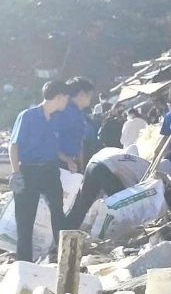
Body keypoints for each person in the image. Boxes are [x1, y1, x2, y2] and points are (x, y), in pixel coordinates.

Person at [7, 82, 70, 263]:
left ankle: (63, 257)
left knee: (58, 213)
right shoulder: (27, 116)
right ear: (58, 97)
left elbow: (51, 146)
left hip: (50, 170)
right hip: (29, 171)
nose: (66, 101)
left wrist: (66, 159)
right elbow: (14, 145)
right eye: (65, 97)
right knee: (25, 219)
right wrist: (16, 173)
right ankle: (24, 262)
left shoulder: (55, 119)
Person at [60, 146, 151, 230]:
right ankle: (127, 230)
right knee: (123, 205)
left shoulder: (116, 153)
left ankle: (65, 233)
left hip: (92, 166)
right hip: (103, 169)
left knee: (81, 206)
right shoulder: (144, 168)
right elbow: (133, 193)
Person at [55, 78, 96, 172]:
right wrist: (67, 159)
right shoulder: (65, 111)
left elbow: (79, 142)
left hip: (71, 162)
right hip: (61, 164)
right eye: (89, 95)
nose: (91, 98)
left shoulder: (78, 113)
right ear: (81, 93)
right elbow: (51, 139)